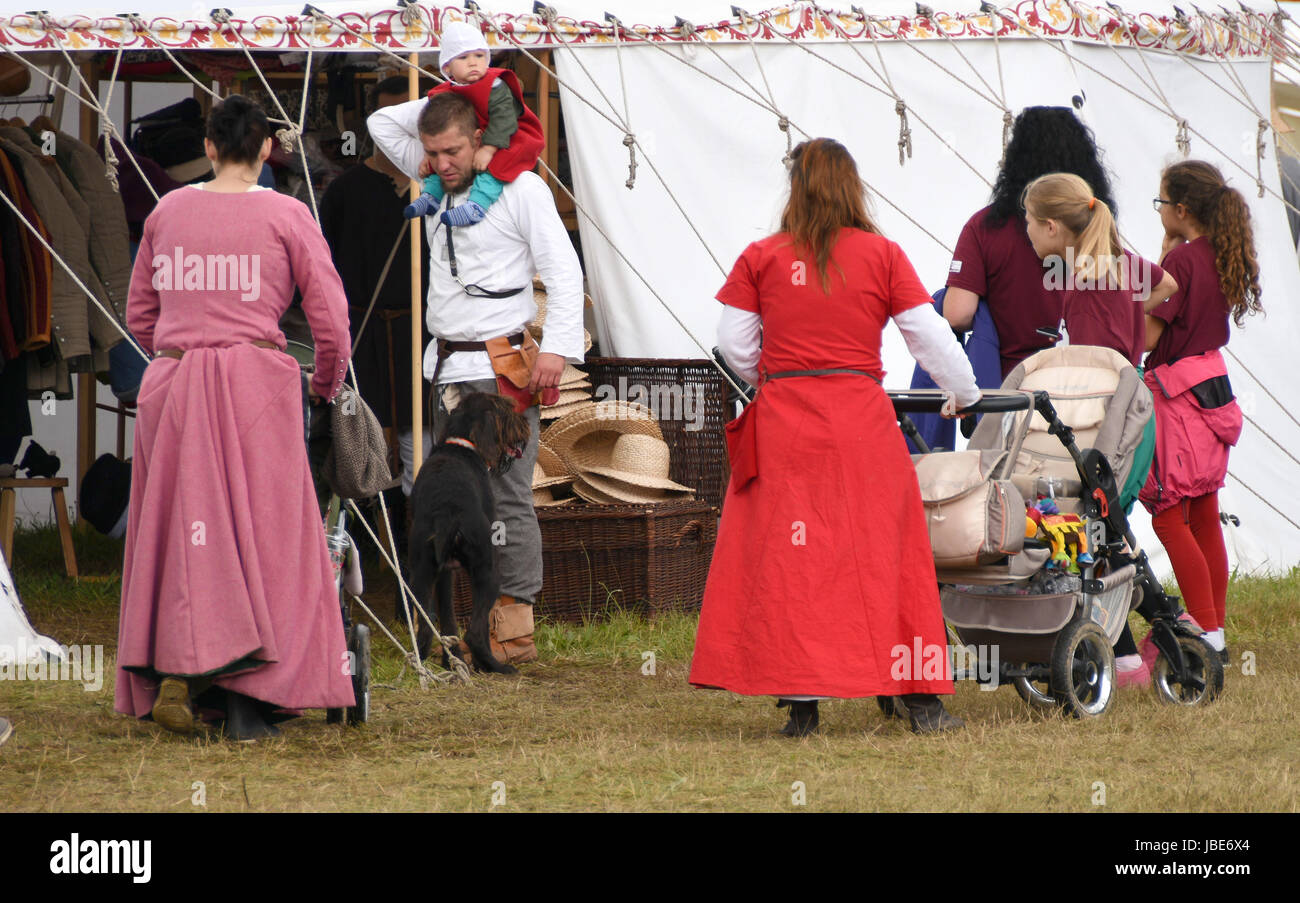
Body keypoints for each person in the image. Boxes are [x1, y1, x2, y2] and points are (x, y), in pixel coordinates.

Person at [689, 138, 981, 736]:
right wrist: (966, 394)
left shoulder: (761, 256)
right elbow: (930, 336)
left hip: (784, 424)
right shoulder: (883, 255)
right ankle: (922, 702)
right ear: (853, 187)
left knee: (794, 563)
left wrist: (778, 379)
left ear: (795, 188)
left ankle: (803, 708)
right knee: (888, 557)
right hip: (861, 427)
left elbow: (735, 347)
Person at [116, 95, 355, 741]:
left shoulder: (168, 211)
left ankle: (182, 672)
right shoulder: (287, 213)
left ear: (212, 148)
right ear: (267, 150)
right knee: (266, 541)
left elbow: (140, 314)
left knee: (183, 534)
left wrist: (178, 349)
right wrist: (323, 386)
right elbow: (331, 320)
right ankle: (252, 698)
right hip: (256, 386)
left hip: (174, 385)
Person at [367, 90, 584, 664]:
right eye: (432, 151)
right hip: (447, 366)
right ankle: (452, 631)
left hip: (501, 368)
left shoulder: (523, 188)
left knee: (506, 498)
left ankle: (510, 631)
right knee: (447, 499)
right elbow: (380, 122)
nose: (442, 163)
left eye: (454, 150)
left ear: (479, 140)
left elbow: (565, 273)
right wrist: (450, 99)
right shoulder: (436, 186)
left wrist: (556, 350)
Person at [319, 76, 431, 615]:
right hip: (363, 334)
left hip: (418, 335)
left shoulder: (434, 191)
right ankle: (357, 568)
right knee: (359, 445)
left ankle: (416, 574)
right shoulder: (342, 192)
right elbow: (324, 272)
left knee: (417, 450)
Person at [1139, 160, 1258, 665]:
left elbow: (1147, 337)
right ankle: (1216, 629)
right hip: (1213, 393)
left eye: (1161, 202)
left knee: (1169, 517)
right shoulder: (1218, 254)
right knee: (1205, 513)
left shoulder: (1182, 265)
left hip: (1175, 404)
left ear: (1181, 209)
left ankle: (1206, 633)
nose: (1159, 209)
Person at [945, 107, 1118, 379]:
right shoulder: (1098, 223)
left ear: (1016, 159)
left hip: (1012, 389)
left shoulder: (985, 227)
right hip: (1089, 387)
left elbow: (957, 314)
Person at [1022, 172, 1175, 367]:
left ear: (1051, 227)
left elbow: (1090, 376)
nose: (1027, 230)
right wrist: (1124, 313)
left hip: (1106, 394)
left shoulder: (1086, 289)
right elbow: (1167, 284)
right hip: (1128, 388)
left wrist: (1122, 313)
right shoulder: (1119, 258)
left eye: (1029, 221)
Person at [404, 21, 545, 227]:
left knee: (498, 165)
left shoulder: (495, 85)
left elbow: (504, 119)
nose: (473, 63)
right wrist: (428, 154)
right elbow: (434, 127)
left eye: (479, 56)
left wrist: (488, 148)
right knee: (444, 156)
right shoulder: (443, 92)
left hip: (510, 135)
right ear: (448, 66)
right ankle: (432, 195)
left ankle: (478, 204)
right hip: (474, 136)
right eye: (463, 57)